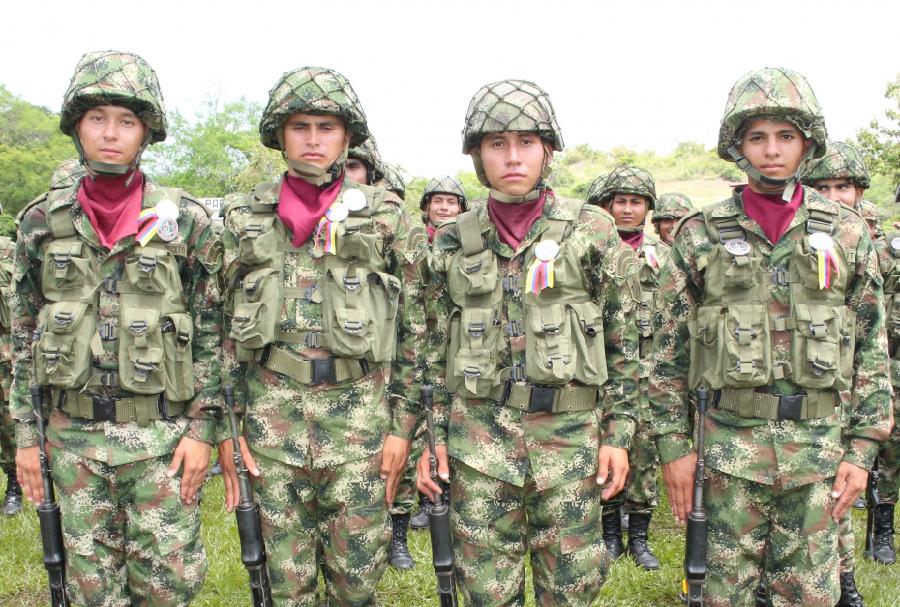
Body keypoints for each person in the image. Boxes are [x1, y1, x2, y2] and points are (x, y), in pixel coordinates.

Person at [650, 67, 892, 607]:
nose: (772, 150)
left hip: (818, 452)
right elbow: (667, 355)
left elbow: (871, 348)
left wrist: (862, 449)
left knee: (810, 597)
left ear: (807, 143)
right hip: (727, 454)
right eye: (757, 137)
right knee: (721, 595)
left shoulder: (847, 232)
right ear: (738, 146)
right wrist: (673, 447)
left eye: (785, 135)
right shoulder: (699, 234)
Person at [12, 50, 222, 606]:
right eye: (97, 118)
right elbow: (23, 337)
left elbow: (213, 335)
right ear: (77, 126)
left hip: (162, 442)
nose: (111, 133)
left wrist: (203, 432)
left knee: (168, 588)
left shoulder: (185, 222)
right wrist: (27, 440)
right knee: (90, 592)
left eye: (126, 121)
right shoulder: (41, 222)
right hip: (72, 442)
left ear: (146, 131)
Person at [418, 78, 640, 606]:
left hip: (571, 443)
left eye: (526, 142)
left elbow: (626, 343)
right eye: (497, 143)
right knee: (485, 592)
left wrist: (619, 434)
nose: (512, 156)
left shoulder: (592, 231)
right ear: (478, 155)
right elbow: (429, 348)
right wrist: (432, 437)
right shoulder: (451, 240)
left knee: (572, 589)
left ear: (548, 151)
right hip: (477, 445)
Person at [219, 66, 427, 606]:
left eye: (327, 127)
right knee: (283, 583)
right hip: (270, 424)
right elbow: (217, 328)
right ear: (279, 134)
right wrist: (227, 425)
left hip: (361, 424)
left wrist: (403, 429)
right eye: (300, 126)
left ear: (347, 136)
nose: (313, 139)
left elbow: (418, 331)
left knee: (357, 580)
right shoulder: (244, 216)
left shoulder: (386, 216)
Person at [586, 165, 667, 570]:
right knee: (604, 448)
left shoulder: (663, 255)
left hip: (650, 374)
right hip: (605, 371)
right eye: (621, 201)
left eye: (637, 202)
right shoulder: (592, 250)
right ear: (607, 205)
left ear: (648, 208)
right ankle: (608, 535)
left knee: (644, 454)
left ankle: (639, 538)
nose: (628, 209)